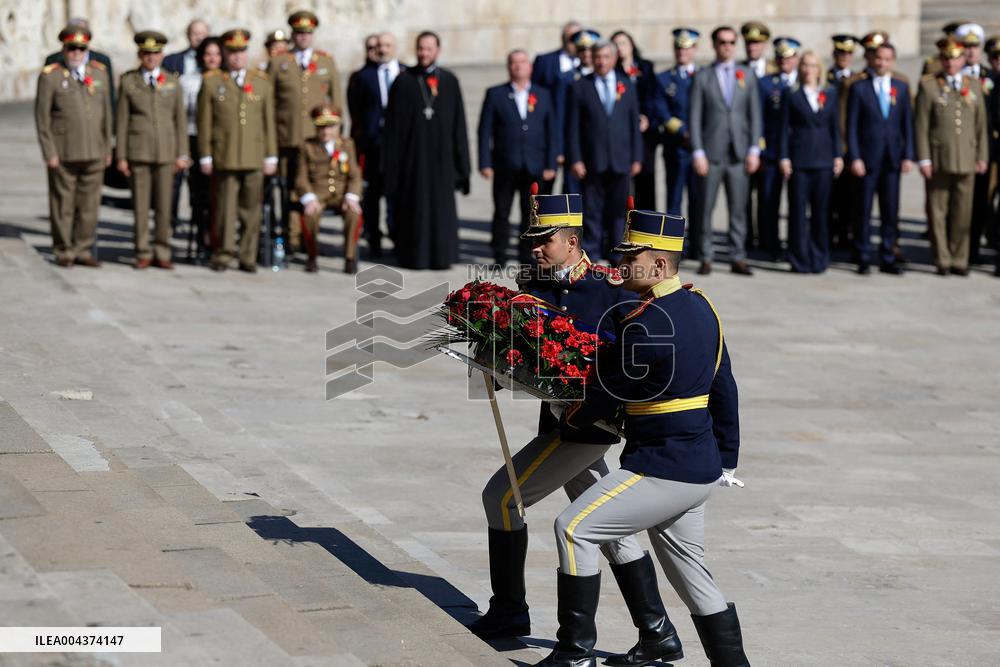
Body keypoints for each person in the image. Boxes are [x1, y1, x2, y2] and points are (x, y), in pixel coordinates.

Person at [473, 194, 686, 667]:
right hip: (558, 420)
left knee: (502, 498)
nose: (534, 249)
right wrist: (491, 352)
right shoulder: (533, 283)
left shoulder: (611, 288)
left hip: (589, 427)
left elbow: (629, 359)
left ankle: (510, 612)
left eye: (543, 240)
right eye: (531, 241)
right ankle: (657, 632)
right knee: (613, 531)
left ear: (571, 241)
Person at [535, 209, 749, 667]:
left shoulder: (643, 322)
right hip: (702, 467)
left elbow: (604, 393)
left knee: (573, 528)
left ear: (657, 265)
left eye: (631, 257)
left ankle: (574, 654)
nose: (622, 266)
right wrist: (726, 461)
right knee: (694, 577)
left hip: (661, 467)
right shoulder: (704, 307)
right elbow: (725, 387)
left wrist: (567, 414)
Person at [382, 31, 471, 270]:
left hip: (442, 161)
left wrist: (463, 166)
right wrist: (392, 167)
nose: (424, 53)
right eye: (421, 48)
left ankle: (442, 256)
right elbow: (392, 129)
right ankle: (414, 257)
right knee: (415, 209)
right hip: (413, 161)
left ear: (437, 51)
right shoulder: (403, 81)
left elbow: (459, 124)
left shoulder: (450, 81)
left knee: (441, 210)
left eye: (429, 49)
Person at [197, 29, 278, 272]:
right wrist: (205, 155)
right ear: (225, 54)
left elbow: (268, 123)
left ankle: (247, 256)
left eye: (241, 52)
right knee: (225, 209)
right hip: (225, 155)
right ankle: (223, 254)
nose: (237, 57)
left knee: (251, 211)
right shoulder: (213, 83)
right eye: (232, 52)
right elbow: (205, 123)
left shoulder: (261, 83)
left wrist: (271, 155)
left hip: (253, 155)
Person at [35, 25, 112, 268]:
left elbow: (107, 115)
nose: (76, 53)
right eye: (71, 48)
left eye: (81, 48)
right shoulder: (51, 76)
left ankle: (83, 248)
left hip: (93, 151)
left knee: (89, 205)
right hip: (64, 152)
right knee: (63, 205)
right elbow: (42, 118)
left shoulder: (99, 74)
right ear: (64, 49)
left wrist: (107, 148)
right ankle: (64, 249)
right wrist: (49, 152)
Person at [690, 25, 762, 276]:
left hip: (739, 152)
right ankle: (706, 255)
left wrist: (754, 149)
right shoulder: (703, 76)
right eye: (722, 42)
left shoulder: (747, 74)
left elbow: (755, 114)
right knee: (706, 206)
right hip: (711, 152)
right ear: (714, 45)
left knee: (739, 207)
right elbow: (695, 117)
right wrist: (698, 151)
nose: (727, 46)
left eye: (732, 42)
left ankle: (737, 255)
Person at [268, 10, 343, 254]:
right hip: (288, 138)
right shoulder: (279, 62)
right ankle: (292, 238)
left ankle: (310, 236)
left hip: (317, 140)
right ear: (293, 35)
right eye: (299, 33)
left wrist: (337, 136)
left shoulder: (325, 62)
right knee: (291, 189)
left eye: (307, 33)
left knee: (315, 187)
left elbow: (337, 103)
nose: (303, 38)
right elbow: (269, 104)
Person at [915, 38, 989, 277]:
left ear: (962, 59)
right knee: (938, 211)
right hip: (939, 159)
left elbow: (981, 127)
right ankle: (942, 258)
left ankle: (960, 258)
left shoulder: (974, 85)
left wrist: (982, 156)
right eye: (946, 58)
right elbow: (922, 126)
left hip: (966, 158)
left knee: (963, 212)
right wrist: (924, 159)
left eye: (955, 58)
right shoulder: (929, 87)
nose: (950, 63)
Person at [477, 50, 557, 265]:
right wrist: (485, 162)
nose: (518, 66)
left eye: (522, 62)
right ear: (508, 66)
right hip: (505, 163)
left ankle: (526, 254)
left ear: (530, 67)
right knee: (502, 211)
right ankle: (499, 253)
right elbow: (484, 131)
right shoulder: (495, 94)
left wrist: (551, 163)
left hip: (534, 164)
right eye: (513, 62)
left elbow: (552, 131)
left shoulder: (543, 94)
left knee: (529, 213)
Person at [116, 31, 187, 270]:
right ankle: (142, 251)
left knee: (165, 206)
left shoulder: (172, 82)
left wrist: (182, 153)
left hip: (166, 152)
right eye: (146, 54)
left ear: (162, 55)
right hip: (139, 152)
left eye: (155, 53)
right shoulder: (128, 81)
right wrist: (122, 155)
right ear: (139, 55)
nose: (151, 58)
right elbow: (122, 121)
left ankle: (162, 250)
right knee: (141, 206)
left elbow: (180, 122)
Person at [566, 40, 642, 263]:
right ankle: (592, 254)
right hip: (592, 160)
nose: (601, 61)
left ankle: (617, 254)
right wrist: (576, 158)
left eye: (606, 57)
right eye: (598, 57)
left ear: (614, 58)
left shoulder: (626, 83)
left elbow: (632, 124)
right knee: (592, 210)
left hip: (621, 159)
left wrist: (637, 156)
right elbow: (573, 128)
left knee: (619, 211)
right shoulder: (580, 86)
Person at [846, 41, 914, 275]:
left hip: (892, 159)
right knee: (863, 209)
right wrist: (854, 156)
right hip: (867, 159)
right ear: (872, 60)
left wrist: (908, 155)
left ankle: (887, 255)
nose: (882, 63)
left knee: (890, 210)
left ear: (893, 61)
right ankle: (863, 255)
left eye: (887, 59)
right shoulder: (860, 88)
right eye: (878, 59)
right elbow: (851, 126)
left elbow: (907, 124)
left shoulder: (901, 87)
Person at [779, 51, 842, 273]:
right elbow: (784, 129)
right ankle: (798, 258)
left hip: (824, 161)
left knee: (821, 213)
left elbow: (835, 127)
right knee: (797, 213)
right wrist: (784, 157)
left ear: (820, 69)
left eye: (813, 65)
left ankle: (819, 257)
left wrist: (838, 155)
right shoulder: (791, 94)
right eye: (805, 65)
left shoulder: (830, 93)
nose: (808, 69)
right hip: (799, 161)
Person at [347, 32, 403, 259]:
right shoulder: (362, 76)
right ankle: (374, 239)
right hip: (372, 147)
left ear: (394, 47)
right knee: (371, 197)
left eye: (387, 45)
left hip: (398, 148)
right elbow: (355, 111)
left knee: (397, 195)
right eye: (378, 45)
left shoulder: (406, 73)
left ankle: (398, 236)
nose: (382, 49)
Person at [294, 106, 362, 273]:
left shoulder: (347, 145)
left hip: (340, 195)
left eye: (330, 127)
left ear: (337, 127)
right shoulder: (307, 147)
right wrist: (309, 198)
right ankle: (312, 256)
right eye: (322, 127)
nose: (326, 131)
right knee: (310, 215)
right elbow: (300, 177)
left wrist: (351, 196)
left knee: (354, 214)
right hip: (318, 195)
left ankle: (349, 257)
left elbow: (355, 175)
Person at [652, 28, 702, 256]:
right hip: (676, 147)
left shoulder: (703, 77)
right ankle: (673, 247)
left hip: (700, 150)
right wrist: (683, 130)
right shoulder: (664, 79)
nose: (682, 52)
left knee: (699, 199)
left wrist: (699, 134)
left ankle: (699, 246)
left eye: (687, 47)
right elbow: (660, 110)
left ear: (695, 50)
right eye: (679, 47)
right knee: (674, 200)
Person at [163, 19, 210, 257]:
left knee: (200, 188)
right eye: (194, 33)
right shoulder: (173, 61)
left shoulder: (212, 62)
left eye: (202, 34)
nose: (198, 38)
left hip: (202, 135)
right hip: (178, 132)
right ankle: (168, 225)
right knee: (173, 183)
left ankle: (201, 232)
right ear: (188, 35)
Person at [757, 37, 801, 261]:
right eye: (781, 57)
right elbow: (759, 119)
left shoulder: (805, 82)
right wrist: (761, 148)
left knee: (797, 203)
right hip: (773, 151)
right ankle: (771, 244)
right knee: (770, 200)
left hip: (799, 153)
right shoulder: (766, 83)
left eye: (790, 57)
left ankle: (795, 245)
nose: (785, 61)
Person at [955, 23, 992, 265]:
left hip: (986, 149)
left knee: (980, 201)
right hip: (960, 148)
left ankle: (975, 249)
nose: (970, 51)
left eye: (974, 46)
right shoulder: (949, 76)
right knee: (958, 203)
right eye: (966, 46)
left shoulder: (991, 76)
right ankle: (957, 249)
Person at [532, 21, 581, 195]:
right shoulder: (545, 61)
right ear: (563, 38)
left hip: (577, 137)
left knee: (573, 191)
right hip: (550, 133)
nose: (575, 42)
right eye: (571, 37)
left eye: (579, 37)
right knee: (544, 190)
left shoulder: (589, 63)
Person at [611, 31, 657, 210]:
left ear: (631, 45)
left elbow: (653, 97)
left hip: (644, 133)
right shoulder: (612, 72)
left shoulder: (645, 67)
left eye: (623, 43)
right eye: (616, 44)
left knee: (646, 180)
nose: (620, 47)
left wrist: (647, 118)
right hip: (621, 135)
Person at [827, 34, 859, 252]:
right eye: (840, 53)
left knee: (849, 196)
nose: (844, 57)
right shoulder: (825, 77)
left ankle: (846, 235)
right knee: (828, 196)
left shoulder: (858, 79)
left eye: (848, 53)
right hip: (827, 144)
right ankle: (829, 235)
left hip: (849, 144)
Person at [45, 18, 115, 105]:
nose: (77, 52)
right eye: (74, 31)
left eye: (82, 32)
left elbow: (109, 96)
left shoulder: (102, 61)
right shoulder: (53, 60)